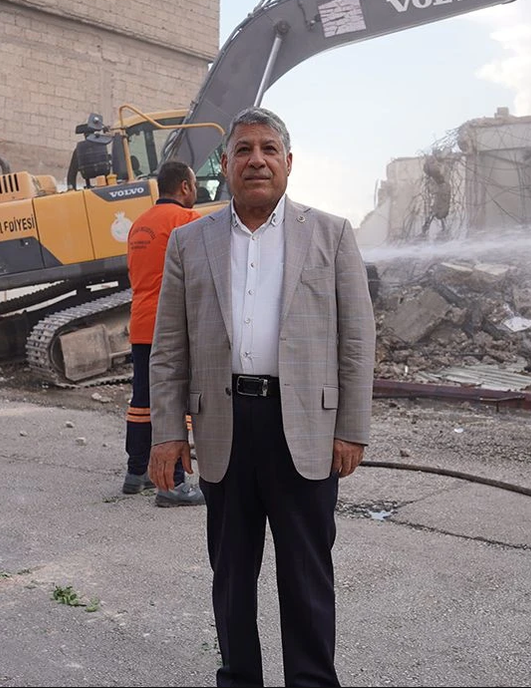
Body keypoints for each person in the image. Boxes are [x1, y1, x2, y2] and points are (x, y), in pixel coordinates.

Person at [148, 107, 375, 686]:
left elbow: (357, 338)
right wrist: (168, 433)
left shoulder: (330, 234)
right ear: (224, 164)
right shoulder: (189, 242)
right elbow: (169, 348)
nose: (257, 160)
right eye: (244, 150)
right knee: (231, 575)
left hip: (303, 428)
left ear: (289, 163)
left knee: (307, 575)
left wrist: (351, 428)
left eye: (269, 149)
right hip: (224, 427)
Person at [122, 160, 206, 507]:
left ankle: (136, 472)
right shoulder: (187, 220)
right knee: (173, 402)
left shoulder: (138, 224)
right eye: (194, 185)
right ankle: (172, 483)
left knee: (142, 399)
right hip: (172, 325)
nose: (195, 191)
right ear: (185, 187)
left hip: (141, 323)